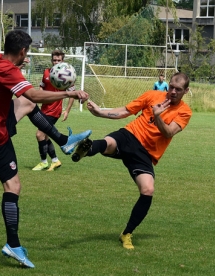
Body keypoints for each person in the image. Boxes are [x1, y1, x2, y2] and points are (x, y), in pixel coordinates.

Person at [0, 30, 91, 268]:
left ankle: (63, 142)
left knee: (25, 103)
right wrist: (69, 92)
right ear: (23, 52)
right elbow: (34, 93)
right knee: (13, 186)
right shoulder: (8, 70)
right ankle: (13, 245)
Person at [71, 72, 192, 249]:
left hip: (146, 154)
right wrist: (100, 112)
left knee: (148, 189)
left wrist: (157, 115)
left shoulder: (185, 111)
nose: (173, 91)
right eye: (171, 86)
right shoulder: (152, 95)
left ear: (186, 91)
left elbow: (168, 132)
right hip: (130, 135)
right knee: (108, 143)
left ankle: (126, 233)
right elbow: (126, 111)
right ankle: (86, 149)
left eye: (178, 89)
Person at [32, 50, 75, 171]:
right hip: (44, 109)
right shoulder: (46, 72)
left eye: (59, 60)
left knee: (40, 134)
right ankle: (55, 160)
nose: (56, 62)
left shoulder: (66, 75)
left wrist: (67, 110)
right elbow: (42, 85)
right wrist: (39, 94)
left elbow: (72, 94)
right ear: (52, 60)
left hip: (54, 111)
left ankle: (43, 162)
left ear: (63, 61)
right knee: (45, 136)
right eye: (54, 60)